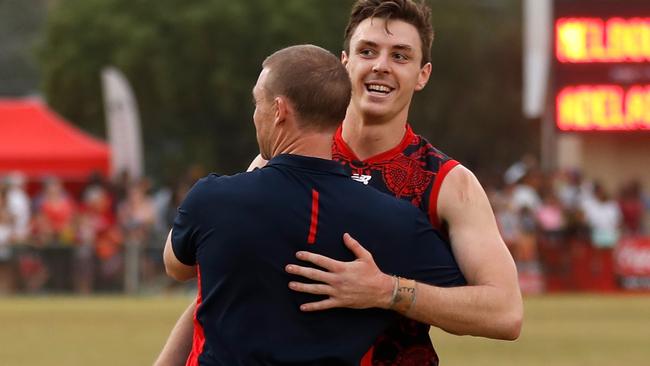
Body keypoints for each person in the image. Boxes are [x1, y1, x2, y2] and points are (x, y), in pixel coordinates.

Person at [156, 1, 522, 365]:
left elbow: (505, 313)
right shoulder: (275, 160)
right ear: (344, 63)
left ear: (423, 74)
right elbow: (221, 285)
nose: (381, 65)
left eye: (400, 56)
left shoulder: (447, 182)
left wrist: (388, 291)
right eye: (368, 51)